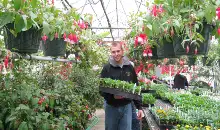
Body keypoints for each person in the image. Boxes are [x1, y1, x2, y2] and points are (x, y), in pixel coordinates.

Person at [100, 42, 143, 130]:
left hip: (126, 106)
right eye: (113, 52)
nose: (116, 54)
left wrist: (139, 107)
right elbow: (101, 89)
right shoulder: (106, 68)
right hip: (111, 107)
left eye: (118, 51)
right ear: (111, 53)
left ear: (122, 51)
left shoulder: (129, 67)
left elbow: (135, 86)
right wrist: (112, 96)